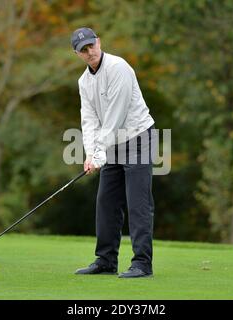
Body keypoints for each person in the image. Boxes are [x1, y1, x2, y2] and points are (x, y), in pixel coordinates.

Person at [71, 27, 155, 278]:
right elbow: (89, 121)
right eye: (83, 50)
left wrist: (98, 154)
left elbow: (115, 116)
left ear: (99, 42)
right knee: (106, 202)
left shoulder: (119, 68)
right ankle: (106, 260)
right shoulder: (84, 82)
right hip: (112, 144)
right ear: (77, 54)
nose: (89, 52)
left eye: (91, 46)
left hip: (138, 137)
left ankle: (142, 263)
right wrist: (90, 153)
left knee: (138, 203)